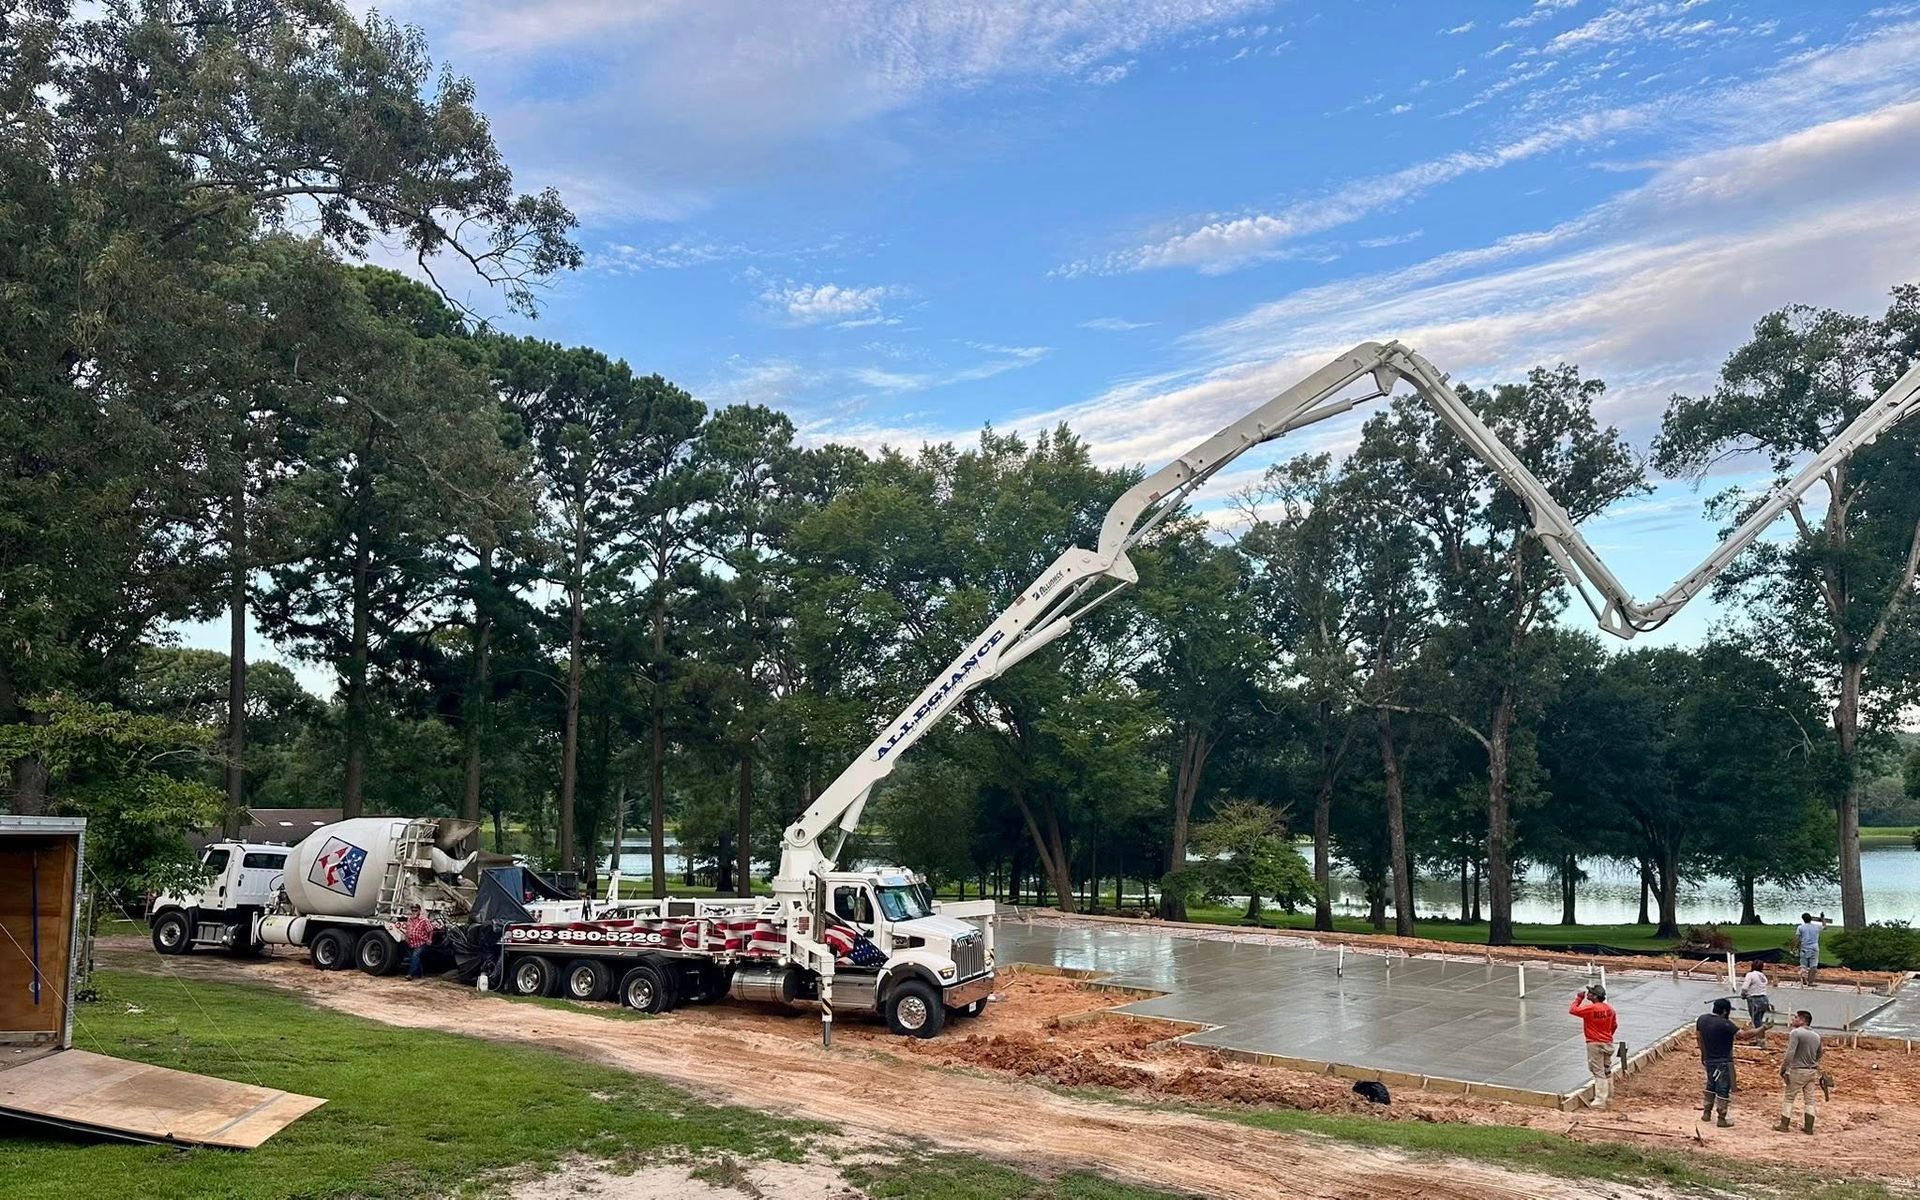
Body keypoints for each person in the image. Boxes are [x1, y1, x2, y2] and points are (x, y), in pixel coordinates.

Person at [1697, 997, 1765, 1126]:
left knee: (1710, 1085)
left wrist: (1703, 1054)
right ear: (1724, 1011)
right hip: (1723, 1061)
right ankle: (1721, 1118)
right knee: (1723, 1088)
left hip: (1709, 1060)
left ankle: (1706, 1113)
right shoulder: (1725, 1024)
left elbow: (1698, 1037)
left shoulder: (1702, 1019)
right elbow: (1743, 1035)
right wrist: (1762, 1028)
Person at [1569, 984, 1619, 1109]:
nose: (1588, 994)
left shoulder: (1591, 1009)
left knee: (1598, 1071)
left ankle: (1600, 1101)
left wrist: (1578, 998)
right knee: (1606, 1069)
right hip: (1608, 1043)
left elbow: (1573, 1010)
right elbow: (1614, 1025)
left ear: (1595, 996)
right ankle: (1609, 1097)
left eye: (1590, 993)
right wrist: (1608, 1036)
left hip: (1594, 1043)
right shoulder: (1610, 1009)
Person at [1776, 1009, 1823, 1135]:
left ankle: (1784, 1124)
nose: (1794, 1019)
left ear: (1802, 1020)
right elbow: (1819, 1054)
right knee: (1810, 1100)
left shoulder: (1796, 1033)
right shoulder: (1817, 1036)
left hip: (1798, 1070)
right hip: (1812, 1071)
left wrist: (1784, 1068)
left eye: (1796, 1017)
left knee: (1789, 1097)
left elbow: (1790, 1053)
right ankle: (1809, 1127)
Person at [404, 903, 435, 981]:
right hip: (411, 943)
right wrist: (407, 937)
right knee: (416, 958)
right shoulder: (409, 919)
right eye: (413, 910)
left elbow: (430, 930)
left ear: (419, 911)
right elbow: (408, 929)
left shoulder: (424, 920)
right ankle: (420, 975)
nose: (414, 912)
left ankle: (410, 974)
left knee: (415, 956)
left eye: (416, 910)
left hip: (421, 942)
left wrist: (429, 939)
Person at [1739, 963, 1773, 1031]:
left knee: (1757, 1022)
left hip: (1754, 1000)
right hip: (1764, 1000)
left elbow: (1745, 988)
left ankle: (1760, 1039)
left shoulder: (1750, 974)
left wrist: (1743, 995)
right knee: (1759, 1020)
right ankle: (1760, 1037)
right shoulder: (1763, 976)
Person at [1795, 913, 1827, 984]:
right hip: (1814, 948)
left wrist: (1795, 947)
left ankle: (1802, 977)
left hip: (1804, 948)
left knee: (1803, 965)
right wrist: (1822, 918)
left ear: (1803, 919)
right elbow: (1825, 926)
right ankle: (1810, 982)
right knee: (1813, 966)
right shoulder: (1816, 927)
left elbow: (1797, 939)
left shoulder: (1800, 927)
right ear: (1811, 918)